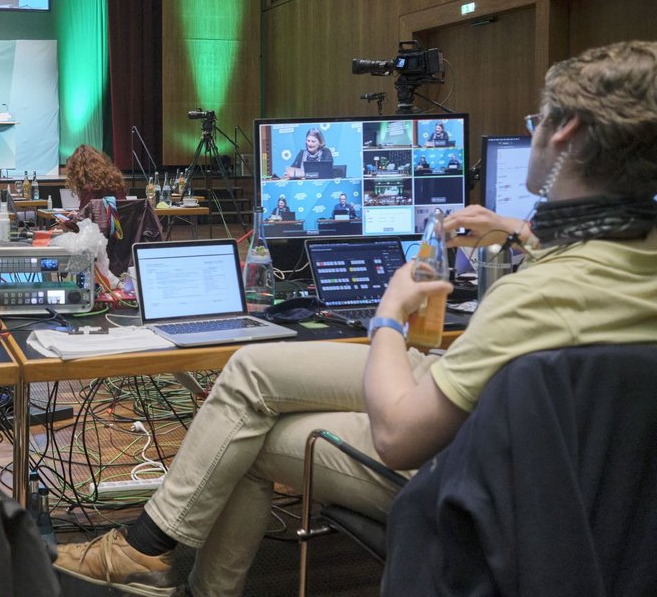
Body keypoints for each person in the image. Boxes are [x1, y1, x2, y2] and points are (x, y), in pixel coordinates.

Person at [55, 40, 657, 597]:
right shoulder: (613, 268)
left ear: (567, 134)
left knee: (245, 433)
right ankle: (155, 558)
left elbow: (398, 437)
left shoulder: (539, 298)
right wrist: (522, 231)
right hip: (579, 482)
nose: (534, 136)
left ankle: (148, 553)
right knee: (252, 373)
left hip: (462, 463)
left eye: (538, 124)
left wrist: (391, 316)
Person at [64, 144, 127, 209]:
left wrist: (75, 217)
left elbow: (84, 217)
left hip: (98, 219)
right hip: (118, 219)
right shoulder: (115, 182)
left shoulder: (89, 189)